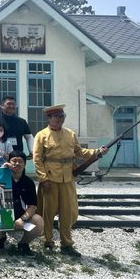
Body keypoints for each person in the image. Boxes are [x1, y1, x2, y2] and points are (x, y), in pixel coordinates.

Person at [33, 104, 108, 257]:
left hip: (67, 178)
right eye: (57, 116)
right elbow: (37, 159)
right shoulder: (41, 135)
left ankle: (66, 244)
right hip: (50, 179)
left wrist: (97, 152)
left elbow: (79, 152)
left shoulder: (70, 134)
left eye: (62, 116)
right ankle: (47, 242)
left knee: (68, 212)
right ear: (49, 118)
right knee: (48, 212)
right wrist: (43, 178)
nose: (60, 119)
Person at [0, 150, 44, 255]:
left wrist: (22, 219)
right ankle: (1, 238)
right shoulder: (1, 179)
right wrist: (2, 170)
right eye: (14, 161)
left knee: (38, 221)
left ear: (25, 164)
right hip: (1, 217)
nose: (17, 164)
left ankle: (23, 244)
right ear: (9, 162)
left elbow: (32, 206)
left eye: (20, 161)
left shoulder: (29, 183)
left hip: (20, 218)